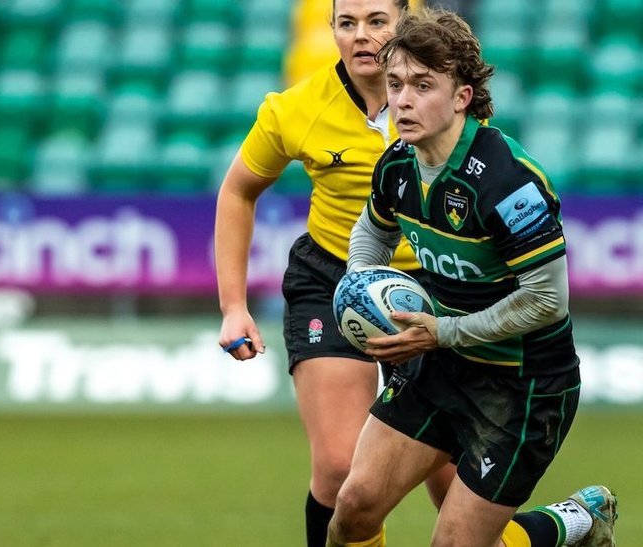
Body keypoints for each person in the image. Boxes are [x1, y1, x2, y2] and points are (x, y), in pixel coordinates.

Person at [330, 9, 617, 547]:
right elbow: (370, 236)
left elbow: (546, 301)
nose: (403, 100)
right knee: (354, 507)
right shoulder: (396, 165)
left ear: (461, 96)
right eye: (394, 85)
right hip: (440, 365)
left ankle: (575, 522)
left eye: (422, 85)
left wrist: (442, 332)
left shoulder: (510, 184)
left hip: (523, 386)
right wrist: (362, 289)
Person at [213, 1, 457, 546]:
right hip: (333, 280)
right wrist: (233, 305)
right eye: (347, 24)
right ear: (332, 32)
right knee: (339, 467)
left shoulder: (448, 102)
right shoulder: (293, 110)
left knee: (452, 485)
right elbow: (237, 191)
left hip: (432, 289)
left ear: (406, 24)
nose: (362, 36)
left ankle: (561, 525)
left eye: (377, 21)